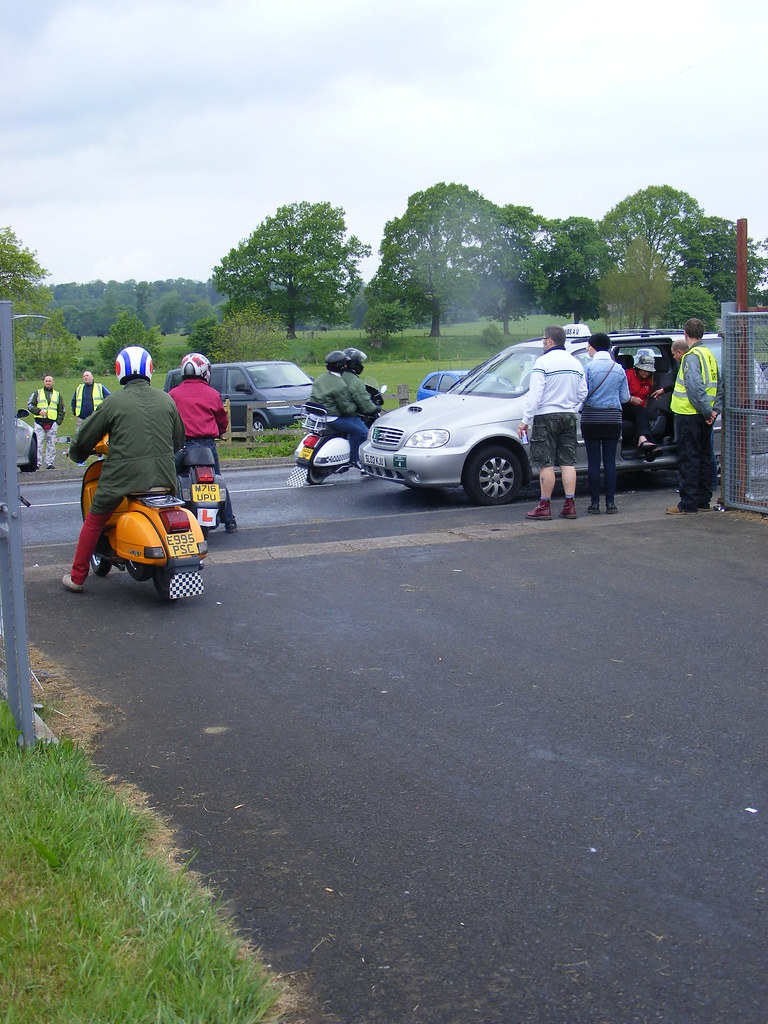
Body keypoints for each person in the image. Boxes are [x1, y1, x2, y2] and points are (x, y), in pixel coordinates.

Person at [61, 346, 186, 592]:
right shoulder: (166, 399)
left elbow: (86, 436)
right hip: (164, 476)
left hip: (122, 478)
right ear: (150, 369)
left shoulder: (114, 402)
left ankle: (77, 578)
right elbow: (179, 440)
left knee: (95, 520)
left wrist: (77, 454)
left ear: (120, 371)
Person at [518, 325, 587, 520]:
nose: (542, 343)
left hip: (546, 416)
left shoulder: (543, 362)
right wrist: (570, 405)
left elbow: (535, 395)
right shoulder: (575, 363)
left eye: (543, 340)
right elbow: (583, 392)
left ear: (549, 341)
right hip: (568, 415)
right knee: (568, 462)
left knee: (545, 463)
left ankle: (544, 505)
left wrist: (525, 420)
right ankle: (569, 504)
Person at [169, 352, 237, 533]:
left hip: (182, 446)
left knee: (172, 480)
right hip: (207, 446)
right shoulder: (212, 393)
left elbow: (169, 420)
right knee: (216, 479)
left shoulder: (173, 394)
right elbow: (222, 420)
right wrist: (220, 432)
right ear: (204, 371)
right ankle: (229, 520)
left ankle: (173, 517)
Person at [666, 318, 723, 515]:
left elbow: (694, 388)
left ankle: (688, 503)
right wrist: (714, 411)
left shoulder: (691, 356)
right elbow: (720, 385)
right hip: (705, 415)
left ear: (685, 333)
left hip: (689, 414)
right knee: (705, 456)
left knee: (689, 458)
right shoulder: (709, 355)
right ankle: (703, 500)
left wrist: (706, 411)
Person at [580, 333, 630, 514]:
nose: (587, 348)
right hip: (612, 419)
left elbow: (582, 394)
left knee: (593, 462)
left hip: (591, 418)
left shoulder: (588, 368)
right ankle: (611, 503)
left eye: (588, 346)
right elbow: (624, 398)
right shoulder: (618, 369)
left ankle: (594, 504)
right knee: (610, 462)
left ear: (594, 347)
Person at [309, 350, 370, 467]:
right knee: (361, 431)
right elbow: (346, 409)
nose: (346, 365)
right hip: (331, 418)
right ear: (341, 366)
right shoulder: (339, 384)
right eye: (344, 363)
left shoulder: (321, 377)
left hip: (316, 415)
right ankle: (354, 459)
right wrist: (356, 408)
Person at [622, 350, 661, 460]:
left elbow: (647, 397)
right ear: (638, 368)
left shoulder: (649, 381)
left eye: (649, 371)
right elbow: (620, 393)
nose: (646, 373)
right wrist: (631, 399)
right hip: (624, 405)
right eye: (644, 370)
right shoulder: (628, 374)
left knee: (641, 413)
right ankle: (644, 441)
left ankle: (646, 445)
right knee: (640, 411)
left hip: (639, 409)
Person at [27, 374, 65, 469]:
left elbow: (62, 409)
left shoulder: (57, 395)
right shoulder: (37, 393)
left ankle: (49, 462)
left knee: (51, 443)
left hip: (52, 423)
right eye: (46, 381)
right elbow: (30, 405)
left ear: (52, 382)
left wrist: (58, 422)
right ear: (44, 382)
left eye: (50, 381)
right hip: (39, 422)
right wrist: (39, 411)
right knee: (38, 443)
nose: (48, 382)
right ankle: (37, 463)